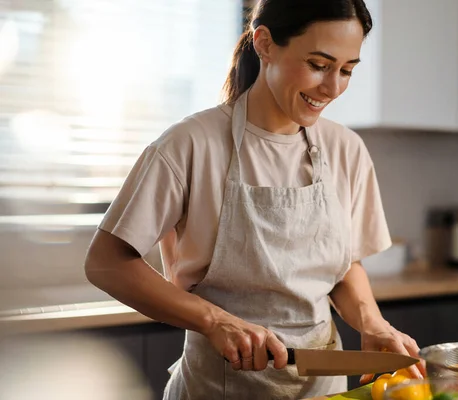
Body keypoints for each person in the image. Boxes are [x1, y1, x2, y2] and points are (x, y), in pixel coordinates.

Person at [84, 0, 426, 398]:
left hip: (324, 388)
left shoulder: (345, 149)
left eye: (347, 70)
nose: (333, 88)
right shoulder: (190, 144)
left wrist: (373, 323)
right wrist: (214, 321)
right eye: (319, 64)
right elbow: (106, 262)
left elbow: (343, 263)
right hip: (220, 386)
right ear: (264, 44)